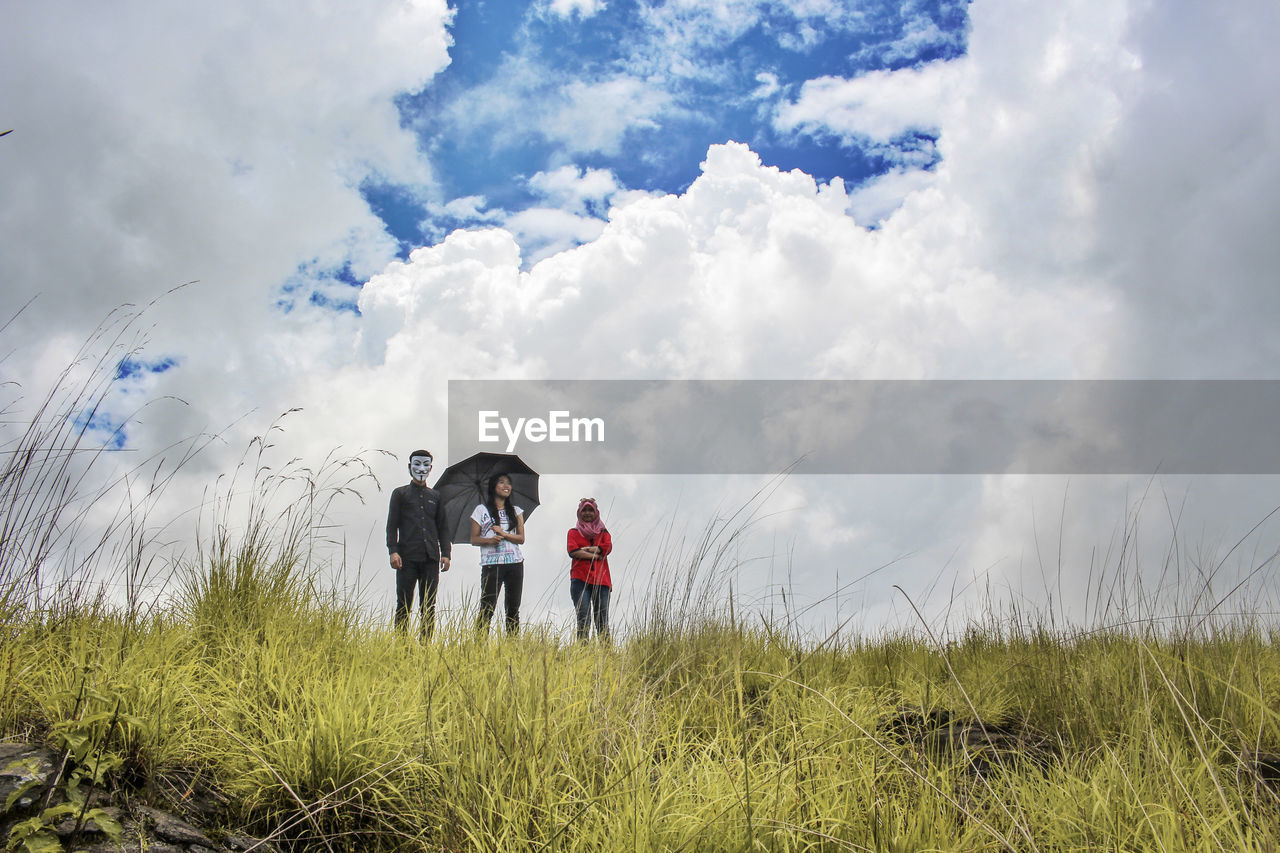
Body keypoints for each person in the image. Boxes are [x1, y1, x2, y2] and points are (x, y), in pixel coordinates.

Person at [386, 450, 451, 636]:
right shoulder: (400, 494)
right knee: (404, 603)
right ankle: (401, 643)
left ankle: (425, 646)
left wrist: (446, 553)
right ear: (409, 467)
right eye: (417, 464)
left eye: (426, 465)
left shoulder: (436, 497)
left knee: (429, 605)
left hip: (431, 557)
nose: (421, 469)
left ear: (430, 468)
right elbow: (392, 525)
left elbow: (443, 528)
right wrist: (393, 550)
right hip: (406, 557)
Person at [470, 473, 526, 634]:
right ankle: (480, 644)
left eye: (508, 483)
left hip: (514, 563)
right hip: (491, 564)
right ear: (493, 486)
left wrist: (504, 533)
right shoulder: (481, 510)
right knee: (487, 607)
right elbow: (474, 539)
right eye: (501, 482)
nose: (506, 486)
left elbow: (521, 538)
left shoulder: (516, 511)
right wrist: (489, 540)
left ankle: (513, 645)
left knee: (513, 608)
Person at [566, 497, 612, 641]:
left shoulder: (603, 532)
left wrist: (588, 549)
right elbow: (572, 551)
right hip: (580, 580)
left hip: (601, 581)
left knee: (602, 620)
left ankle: (607, 654)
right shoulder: (573, 532)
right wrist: (595, 555)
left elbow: (607, 547)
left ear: (596, 513)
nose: (587, 513)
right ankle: (583, 654)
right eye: (584, 510)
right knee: (583, 619)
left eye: (590, 510)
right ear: (579, 513)